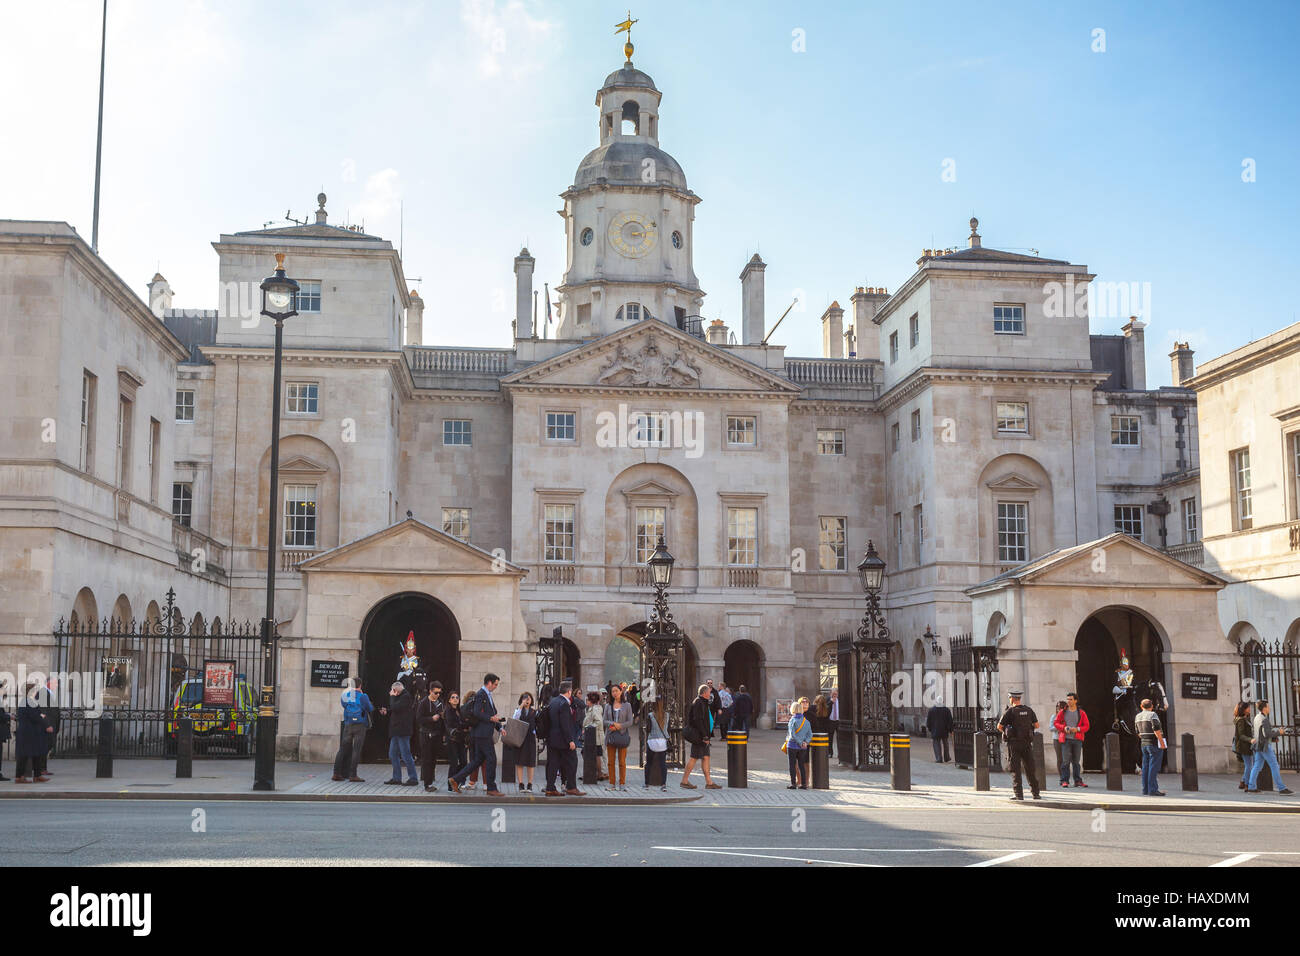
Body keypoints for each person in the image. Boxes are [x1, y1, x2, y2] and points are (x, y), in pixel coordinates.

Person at [449, 673, 504, 796]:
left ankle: (455, 779)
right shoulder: (481, 694)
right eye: (495, 684)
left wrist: (500, 728)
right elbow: (477, 713)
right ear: (489, 683)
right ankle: (491, 788)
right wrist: (490, 719)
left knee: (477, 760)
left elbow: (493, 715)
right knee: (492, 759)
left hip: (481, 733)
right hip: (482, 734)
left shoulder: (487, 695)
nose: (496, 686)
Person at [996, 690, 1040, 801]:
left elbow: (999, 726)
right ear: (1019, 698)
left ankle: (1019, 795)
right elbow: (1037, 725)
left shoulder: (1010, 712)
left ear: (1012, 698)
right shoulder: (1029, 710)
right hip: (1026, 743)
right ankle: (1036, 793)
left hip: (1014, 744)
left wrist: (1007, 731)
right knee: (1030, 769)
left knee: (1015, 770)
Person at [1246, 699, 1295, 795]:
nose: (1269, 708)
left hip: (1258, 745)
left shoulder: (1256, 717)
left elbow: (1260, 733)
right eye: (1268, 706)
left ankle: (1251, 787)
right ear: (1264, 708)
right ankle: (1281, 788)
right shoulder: (1264, 719)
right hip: (1264, 746)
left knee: (1257, 766)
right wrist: (1279, 732)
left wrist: (1273, 738)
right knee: (1274, 765)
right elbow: (1267, 733)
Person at [545, 680, 583, 796]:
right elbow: (565, 724)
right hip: (563, 740)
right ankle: (571, 786)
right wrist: (570, 740)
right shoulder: (565, 704)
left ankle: (550, 787)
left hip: (552, 739)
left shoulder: (553, 701)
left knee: (553, 763)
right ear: (569, 691)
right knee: (572, 762)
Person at [331, 677, 372, 783]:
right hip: (360, 725)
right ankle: (353, 775)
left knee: (342, 749)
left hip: (348, 724)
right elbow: (370, 708)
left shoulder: (346, 695)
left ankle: (336, 773)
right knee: (356, 750)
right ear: (360, 685)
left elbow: (344, 705)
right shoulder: (363, 696)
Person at [681, 683, 721, 790]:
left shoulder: (703, 702)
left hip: (703, 735)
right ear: (704, 693)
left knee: (706, 757)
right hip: (699, 736)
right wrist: (705, 736)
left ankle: (709, 782)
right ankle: (684, 781)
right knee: (694, 758)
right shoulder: (698, 702)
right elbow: (698, 721)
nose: (710, 694)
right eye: (709, 692)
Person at [14, 681, 53, 784]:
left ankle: (37, 775)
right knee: (24, 755)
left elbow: (37, 714)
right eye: (35, 690)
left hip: (34, 732)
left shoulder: (30, 701)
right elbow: (35, 716)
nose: (36, 691)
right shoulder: (27, 701)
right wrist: (46, 725)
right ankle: (19, 777)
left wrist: (41, 716)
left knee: (37, 754)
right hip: (28, 732)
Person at [382, 681, 418, 786]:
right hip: (396, 731)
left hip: (403, 731)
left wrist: (392, 697)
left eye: (393, 691)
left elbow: (396, 707)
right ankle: (396, 777)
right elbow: (395, 709)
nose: (392, 693)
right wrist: (387, 710)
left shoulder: (406, 696)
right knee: (393, 754)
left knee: (406, 754)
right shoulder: (400, 697)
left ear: (396, 690)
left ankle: (413, 778)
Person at [415, 681, 447, 792]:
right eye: (436, 692)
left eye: (439, 693)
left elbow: (444, 720)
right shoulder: (423, 702)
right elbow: (419, 719)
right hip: (426, 734)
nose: (438, 695)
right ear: (430, 691)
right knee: (427, 759)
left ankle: (430, 779)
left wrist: (443, 733)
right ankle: (427, 784)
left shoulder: (440, 702)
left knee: (433, 759)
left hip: (436, 734)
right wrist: (431, 719)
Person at [1053, 692, 1090, 788]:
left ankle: (1077, 781)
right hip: (1066, 739)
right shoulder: (1063, 712)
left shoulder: (1081, 713)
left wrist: (1077, 729)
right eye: (1067, 699)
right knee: (1065, 761)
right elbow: (1056, 723)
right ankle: (1064, 781)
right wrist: (1064, 728)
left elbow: (1086, 726)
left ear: (1075, 701)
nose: (1068, 701)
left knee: (1076, 761)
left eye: (1070, 699)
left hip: (1077, 739)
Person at [604, 683, 633, 791]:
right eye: (613, 692)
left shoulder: (627, 705)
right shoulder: (608, 706)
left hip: (622, 736)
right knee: (610, 762)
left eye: (616, 691)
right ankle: (611, 784)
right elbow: (604, 721)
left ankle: (622, 783)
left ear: (621, 692)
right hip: (611, 736)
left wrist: (620, 726)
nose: (615, 693)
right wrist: (613, 724)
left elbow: (630, 721)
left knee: (622, 762)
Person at [1135, 697, 1166, 797]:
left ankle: (1145, 789)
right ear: (1152, 706)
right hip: (1154, 743)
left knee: (1145, 767)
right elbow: (1156, 729)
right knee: (1154, 767)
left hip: (1144, 744)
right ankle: (1153, 789)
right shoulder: (1153, 715)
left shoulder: (1138, 716)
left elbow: (1137, 732)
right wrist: (1161, 742)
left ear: (1141, 706)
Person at [512, 692, 538, 792]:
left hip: (530, 738)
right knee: (519, 761)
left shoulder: (534, 711)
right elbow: (515, 719)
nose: (527, 700)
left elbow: (537, 723)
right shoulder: (518, 710)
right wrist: (521, 706)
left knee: (530, 762)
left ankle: (530, 784)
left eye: (529, 698)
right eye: (525, 698)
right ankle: (521, 783)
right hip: (520, 738)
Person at [786, 697, 813, 789]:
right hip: (803, 748)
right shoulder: (806, 721)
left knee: (792, 765)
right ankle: (804, 784)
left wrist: (800, 742)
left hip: (793, 745)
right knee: (802, 765)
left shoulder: (792, 720)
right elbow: (810, 734)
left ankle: (793, 783)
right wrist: (805, 742)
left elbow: (792, 735)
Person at [443, 691, 467, 787]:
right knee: (454, 763)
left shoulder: (459, 711)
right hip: (452, 740)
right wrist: (462, 726)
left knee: (464, 762)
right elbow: (452, 725)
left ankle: (458, 780)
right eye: (453, 697)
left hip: (460, 740)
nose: (455, 699)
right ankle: (450, 785)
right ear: (449, 700)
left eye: (457, 697)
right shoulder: (448, 711)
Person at [582, 690, 606, 781]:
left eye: (588, 700)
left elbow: (599, 721)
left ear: (591, 700)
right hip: (593, 736)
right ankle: (596, 773)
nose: (586, 701)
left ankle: (598, 773)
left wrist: (588, 728)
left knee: (595, 755)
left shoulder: (595, 709)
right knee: (596, 755)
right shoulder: (592, 708)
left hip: (595, 736)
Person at [1232, 700, 1255, 790]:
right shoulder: (1241, 720)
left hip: (1247, 746)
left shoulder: (1246, 718)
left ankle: (1243, 782)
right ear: (1244, 709)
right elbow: (1241, 735)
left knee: (1249, 765)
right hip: (1243, 746)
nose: (1249, 708)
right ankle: (1246, 784)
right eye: (1248, 707)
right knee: (1249, 765)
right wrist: (1251, 740)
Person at [925, 696, 954, 763]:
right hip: (944, 730)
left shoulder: (931, 710)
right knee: (946, 744)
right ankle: (947, 757)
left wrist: (930, 729)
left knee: (936, 744)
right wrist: (950, 729)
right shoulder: (946, 710)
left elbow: (928, 721)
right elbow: (950, 721)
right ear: (943, 702)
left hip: (935, 730)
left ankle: (939, 758)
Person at [828, 688, 840, 758]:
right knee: (830, 738)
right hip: (830, 721)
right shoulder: (828, 700)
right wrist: (831, 702)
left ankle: (840, 754)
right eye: (833, 694)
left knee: (839, 738)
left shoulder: (840, 700)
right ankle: (830, 753)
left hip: (838, 721)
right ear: (830, 694)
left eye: (836, 694)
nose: (835, 695)